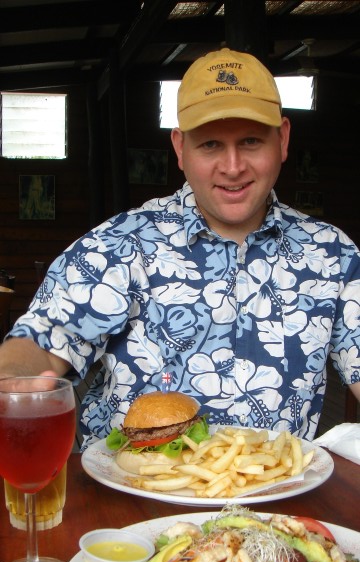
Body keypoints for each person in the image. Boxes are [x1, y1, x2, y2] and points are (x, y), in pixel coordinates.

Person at [1, 48, 359, 449]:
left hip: (276, 502)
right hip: (131, 498)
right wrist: (16, 377)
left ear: (283, 139)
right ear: (180, 148)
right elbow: (38, 345)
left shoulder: (334, 255)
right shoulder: (120, 246)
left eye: (251, 140)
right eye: (209, 145)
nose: (233, 165)